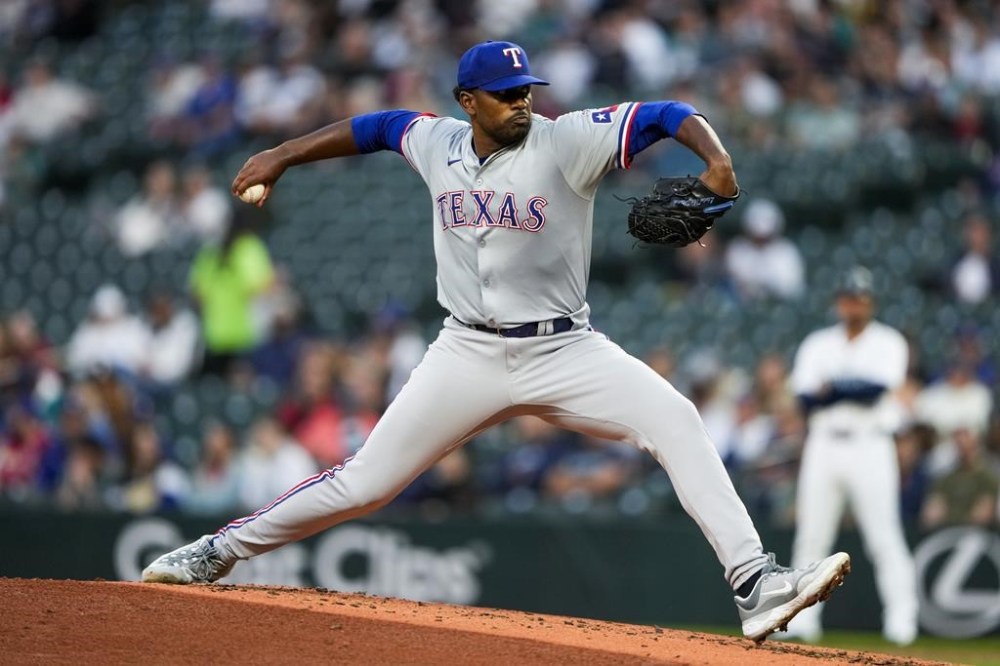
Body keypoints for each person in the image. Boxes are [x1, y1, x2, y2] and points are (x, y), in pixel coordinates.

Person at [142, 40, 849, 643]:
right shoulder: (436, 141)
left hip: (565, 348)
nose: (522, 103)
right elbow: (375, 127)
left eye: (526, 90)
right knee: (365, 484)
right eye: (506, 94)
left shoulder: (567, 139)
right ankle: (218, 550)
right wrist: (284, 155)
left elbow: (665, 114)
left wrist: (717, 160)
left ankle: (755, 583)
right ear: (468, 101)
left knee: (676, 417)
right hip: (466, 351)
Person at [785, 267, 918, 645]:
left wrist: (833, 388)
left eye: (859, 297)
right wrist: (843, 388)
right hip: (824, 444)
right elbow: (805, 397)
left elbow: (875, 390)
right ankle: (801, 621)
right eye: (847, 297)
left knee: (884, 538)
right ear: (838, 301)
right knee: (812, 537)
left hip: (870, 444)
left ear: (870, 301)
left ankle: (901, 621)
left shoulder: (888, 341)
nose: (853, 304)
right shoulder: (818, 343)